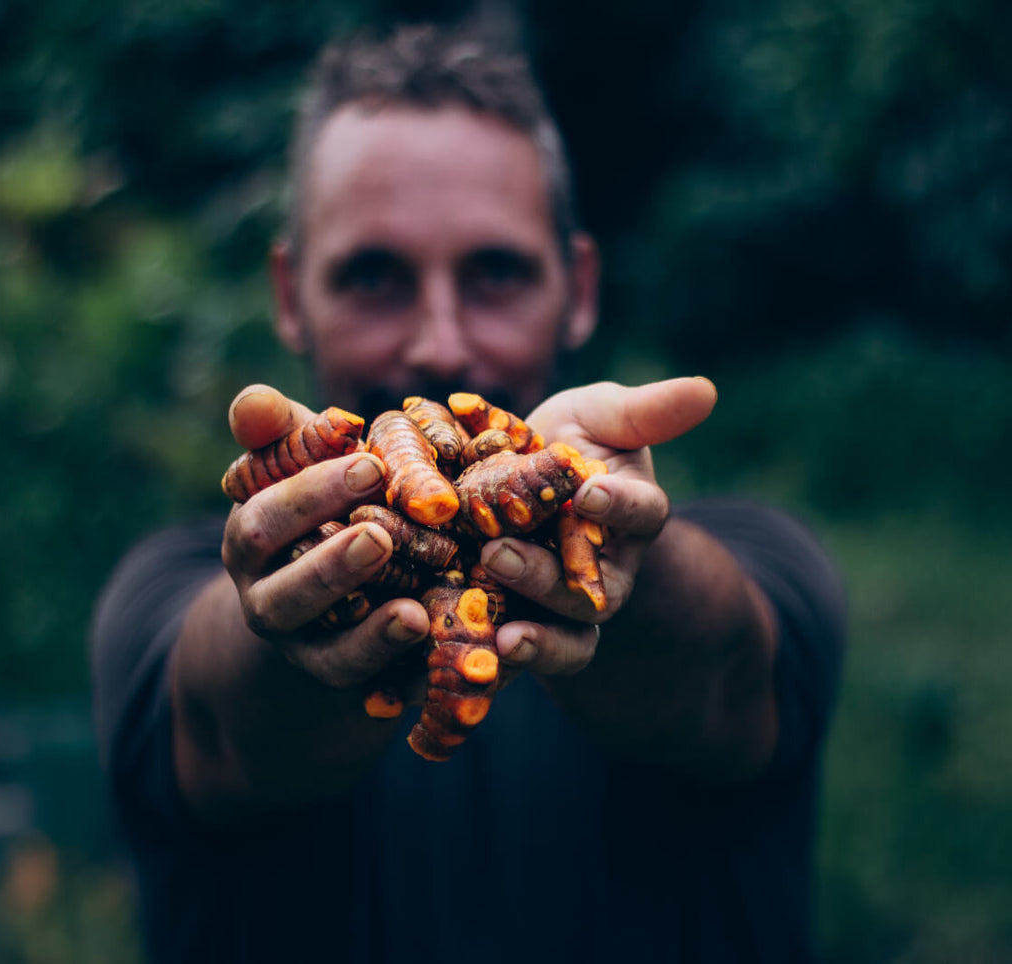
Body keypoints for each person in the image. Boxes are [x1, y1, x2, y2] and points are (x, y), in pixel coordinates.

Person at [91, 22, 846, 963]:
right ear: (291, 295)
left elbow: (720, 685)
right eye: (374, 276)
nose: (439, 345)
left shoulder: (768, 558)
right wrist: (287, 622)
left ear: (576, 287)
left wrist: (611, 558)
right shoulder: (159, 590)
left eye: (494, 273)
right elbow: (223, 727)